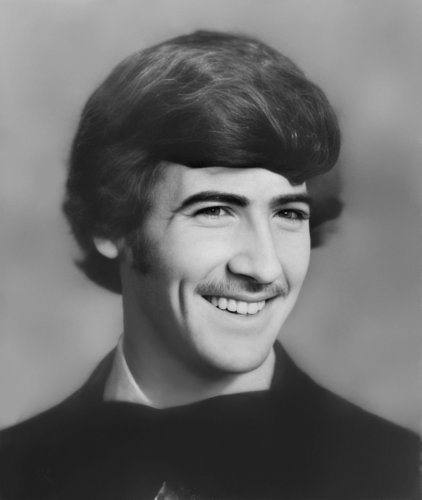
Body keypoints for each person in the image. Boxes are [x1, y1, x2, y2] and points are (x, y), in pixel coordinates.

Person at [0, 31, 418, 500]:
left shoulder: (399, 474)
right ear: (109, 223)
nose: (264, 267)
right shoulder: (12, 473)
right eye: (216, 211)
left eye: (288, 214)